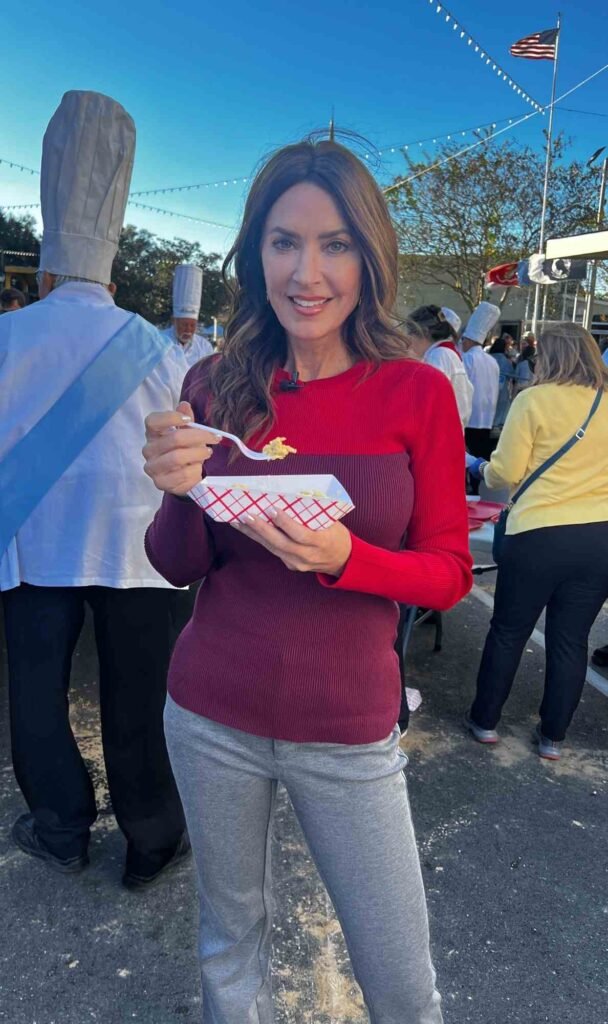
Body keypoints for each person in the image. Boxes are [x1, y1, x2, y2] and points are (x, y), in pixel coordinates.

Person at [143, 138, 472, 1023]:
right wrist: (178, 489)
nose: (308, 271)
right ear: (256, 254)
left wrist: (347, 561)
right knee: (229, 946)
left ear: (370, 256)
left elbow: (446, 572)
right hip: (211, 708)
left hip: (348, 725)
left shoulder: (417, 392)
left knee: (401, 981)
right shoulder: (216, 380)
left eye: (334, 244)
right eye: (285, 242)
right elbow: (177, 561)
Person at [0, 91, 190, 887]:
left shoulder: (7, 335)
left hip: (34, 543)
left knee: (37, 696)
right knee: (141, 701)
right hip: (139, 546)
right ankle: (150, 841)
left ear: (44, 261)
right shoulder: (160, 346)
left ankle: (61, 825)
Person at [465, 322, 608, 760]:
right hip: (598, 537)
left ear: (551, 356)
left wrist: (477, 468)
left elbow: (504, 473)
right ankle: (553, 737)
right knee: (571, 639)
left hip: (539, 532)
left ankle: (486, 721)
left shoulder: (533, 400)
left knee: (508, 630)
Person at [409, 304, 473, 427]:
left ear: (423, 332)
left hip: (441, 435)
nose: (408, 339)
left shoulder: (438, 356)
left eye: (410, 332)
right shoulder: (444, 353)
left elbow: (426, 403)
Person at [461, 301, 500, 492]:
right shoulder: (492, 362)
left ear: (467, 340)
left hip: (470, 420)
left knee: (465, 462)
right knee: (480, 464)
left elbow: (463, 389)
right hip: (486, 420)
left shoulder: (467, 359)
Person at [161, 263, 214, 367]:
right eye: (184, 324)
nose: (188, 330)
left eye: (192, 325)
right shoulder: (160, 340)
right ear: (174, 321)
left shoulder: (204, 347)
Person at [487, 336, 516, 430]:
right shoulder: (504, 360)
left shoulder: (488, 357)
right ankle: (497, 424)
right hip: (502, 387)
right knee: (501, 404)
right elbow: (511, 373)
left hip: (488, 386)